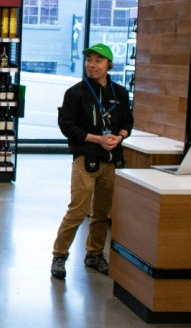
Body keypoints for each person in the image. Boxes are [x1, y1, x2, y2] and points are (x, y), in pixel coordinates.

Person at [51, 43, 134, 279]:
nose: (91, 64)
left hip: (111, 161)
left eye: (98, 60)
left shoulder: (119, 93)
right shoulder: (75, 93)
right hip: (85, 161)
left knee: (102, 213)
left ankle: (94, 254)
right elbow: (67, 126)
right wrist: (97, 139)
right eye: (89, 60)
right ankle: (59, 255)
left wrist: (119, 137)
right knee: (77, 211)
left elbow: (128, 122)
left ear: (109, 65)